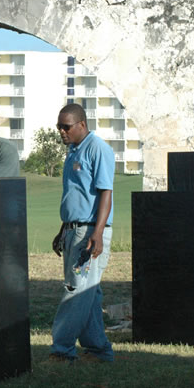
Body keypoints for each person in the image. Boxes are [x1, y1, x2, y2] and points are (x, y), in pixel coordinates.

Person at [49, 103, 115, 363]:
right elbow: (75, 198)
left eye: (66, 127)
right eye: (59, 127)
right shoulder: (73, 151)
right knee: (89, 292)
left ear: (82, 125)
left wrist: (97, 234)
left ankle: (62, 350)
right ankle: (99, 351)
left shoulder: (97, 148)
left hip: (89, 232)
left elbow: (105, 193)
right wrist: (62, 230)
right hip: (72, 230)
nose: (62, 132)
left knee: (76, 290)